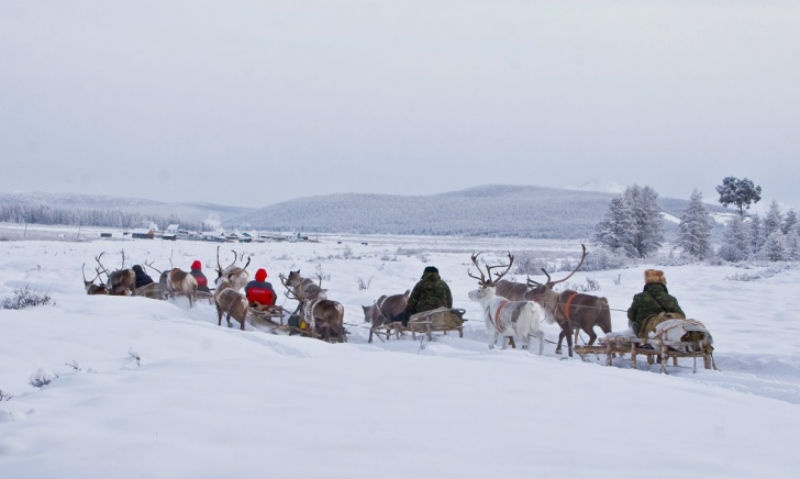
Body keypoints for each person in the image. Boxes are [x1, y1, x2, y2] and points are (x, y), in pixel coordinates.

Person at [627, 269, 685, 339]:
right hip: (664, 332)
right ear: (662, 283)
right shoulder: (670, 298)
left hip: (645, 332)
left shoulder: (639, 297)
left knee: (631, 321)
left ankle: (639, 335)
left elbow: (631, 316)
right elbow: (682, 316)